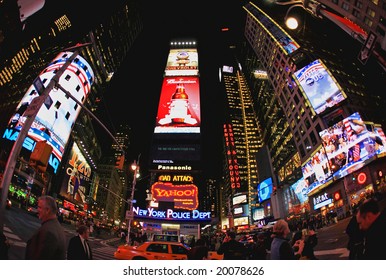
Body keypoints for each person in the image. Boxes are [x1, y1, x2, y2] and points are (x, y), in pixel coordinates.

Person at [25, 195, 67, 259]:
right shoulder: (56, 227)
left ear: (47, 210)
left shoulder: (48, 232)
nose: (37, 210)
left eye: (39, 207)